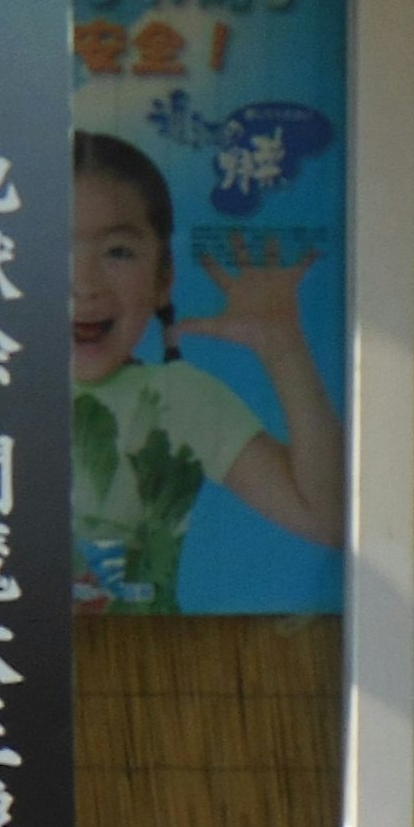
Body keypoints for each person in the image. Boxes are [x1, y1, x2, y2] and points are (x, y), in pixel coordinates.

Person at [69, 130, 344, 613]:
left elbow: (330, 517)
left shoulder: (179, 401)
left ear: (163, 278)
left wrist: (283, 347)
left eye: (117, 251)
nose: (84, 284)